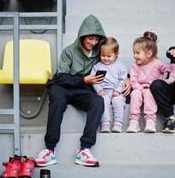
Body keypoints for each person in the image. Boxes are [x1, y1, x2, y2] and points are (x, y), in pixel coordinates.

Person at [35, 14, 121, 168]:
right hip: (62, 86)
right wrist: (83, 80)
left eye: (96, 39)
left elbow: (112, 64)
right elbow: (61, 77)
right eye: (90, 38)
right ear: (82, 36)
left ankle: (85, 149)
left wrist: (126, 78)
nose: (93, 42)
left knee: (98, 101)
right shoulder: (69, 51)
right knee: (58, 98)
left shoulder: (97, 52)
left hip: (82, 90)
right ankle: (49, 150)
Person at [126, 31, 175, 133]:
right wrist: (140, 89)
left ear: (149, 54)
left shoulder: (157, 63)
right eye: (134, 53)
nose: (135, 56)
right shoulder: (134, 65)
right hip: (138, 88)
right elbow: (133, 80)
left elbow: (174, 67)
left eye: (137, 53)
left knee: (149, 92)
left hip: (151, 89)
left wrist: (171, 79)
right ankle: (134, 122)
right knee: (135, 93)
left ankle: (150, 121)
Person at [90, 37, 127, 133]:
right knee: (102, 101)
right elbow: (94, 80)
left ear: (116, 54)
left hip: (116, 92)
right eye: (103, 55)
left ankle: (118, 123)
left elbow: (123, 80)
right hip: (103, 91)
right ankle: (105, 123)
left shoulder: (121, 67)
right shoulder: (97, 66)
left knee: (118, 102)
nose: (105, 58)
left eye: (109, 56)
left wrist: (118, 90)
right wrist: (99, 90)